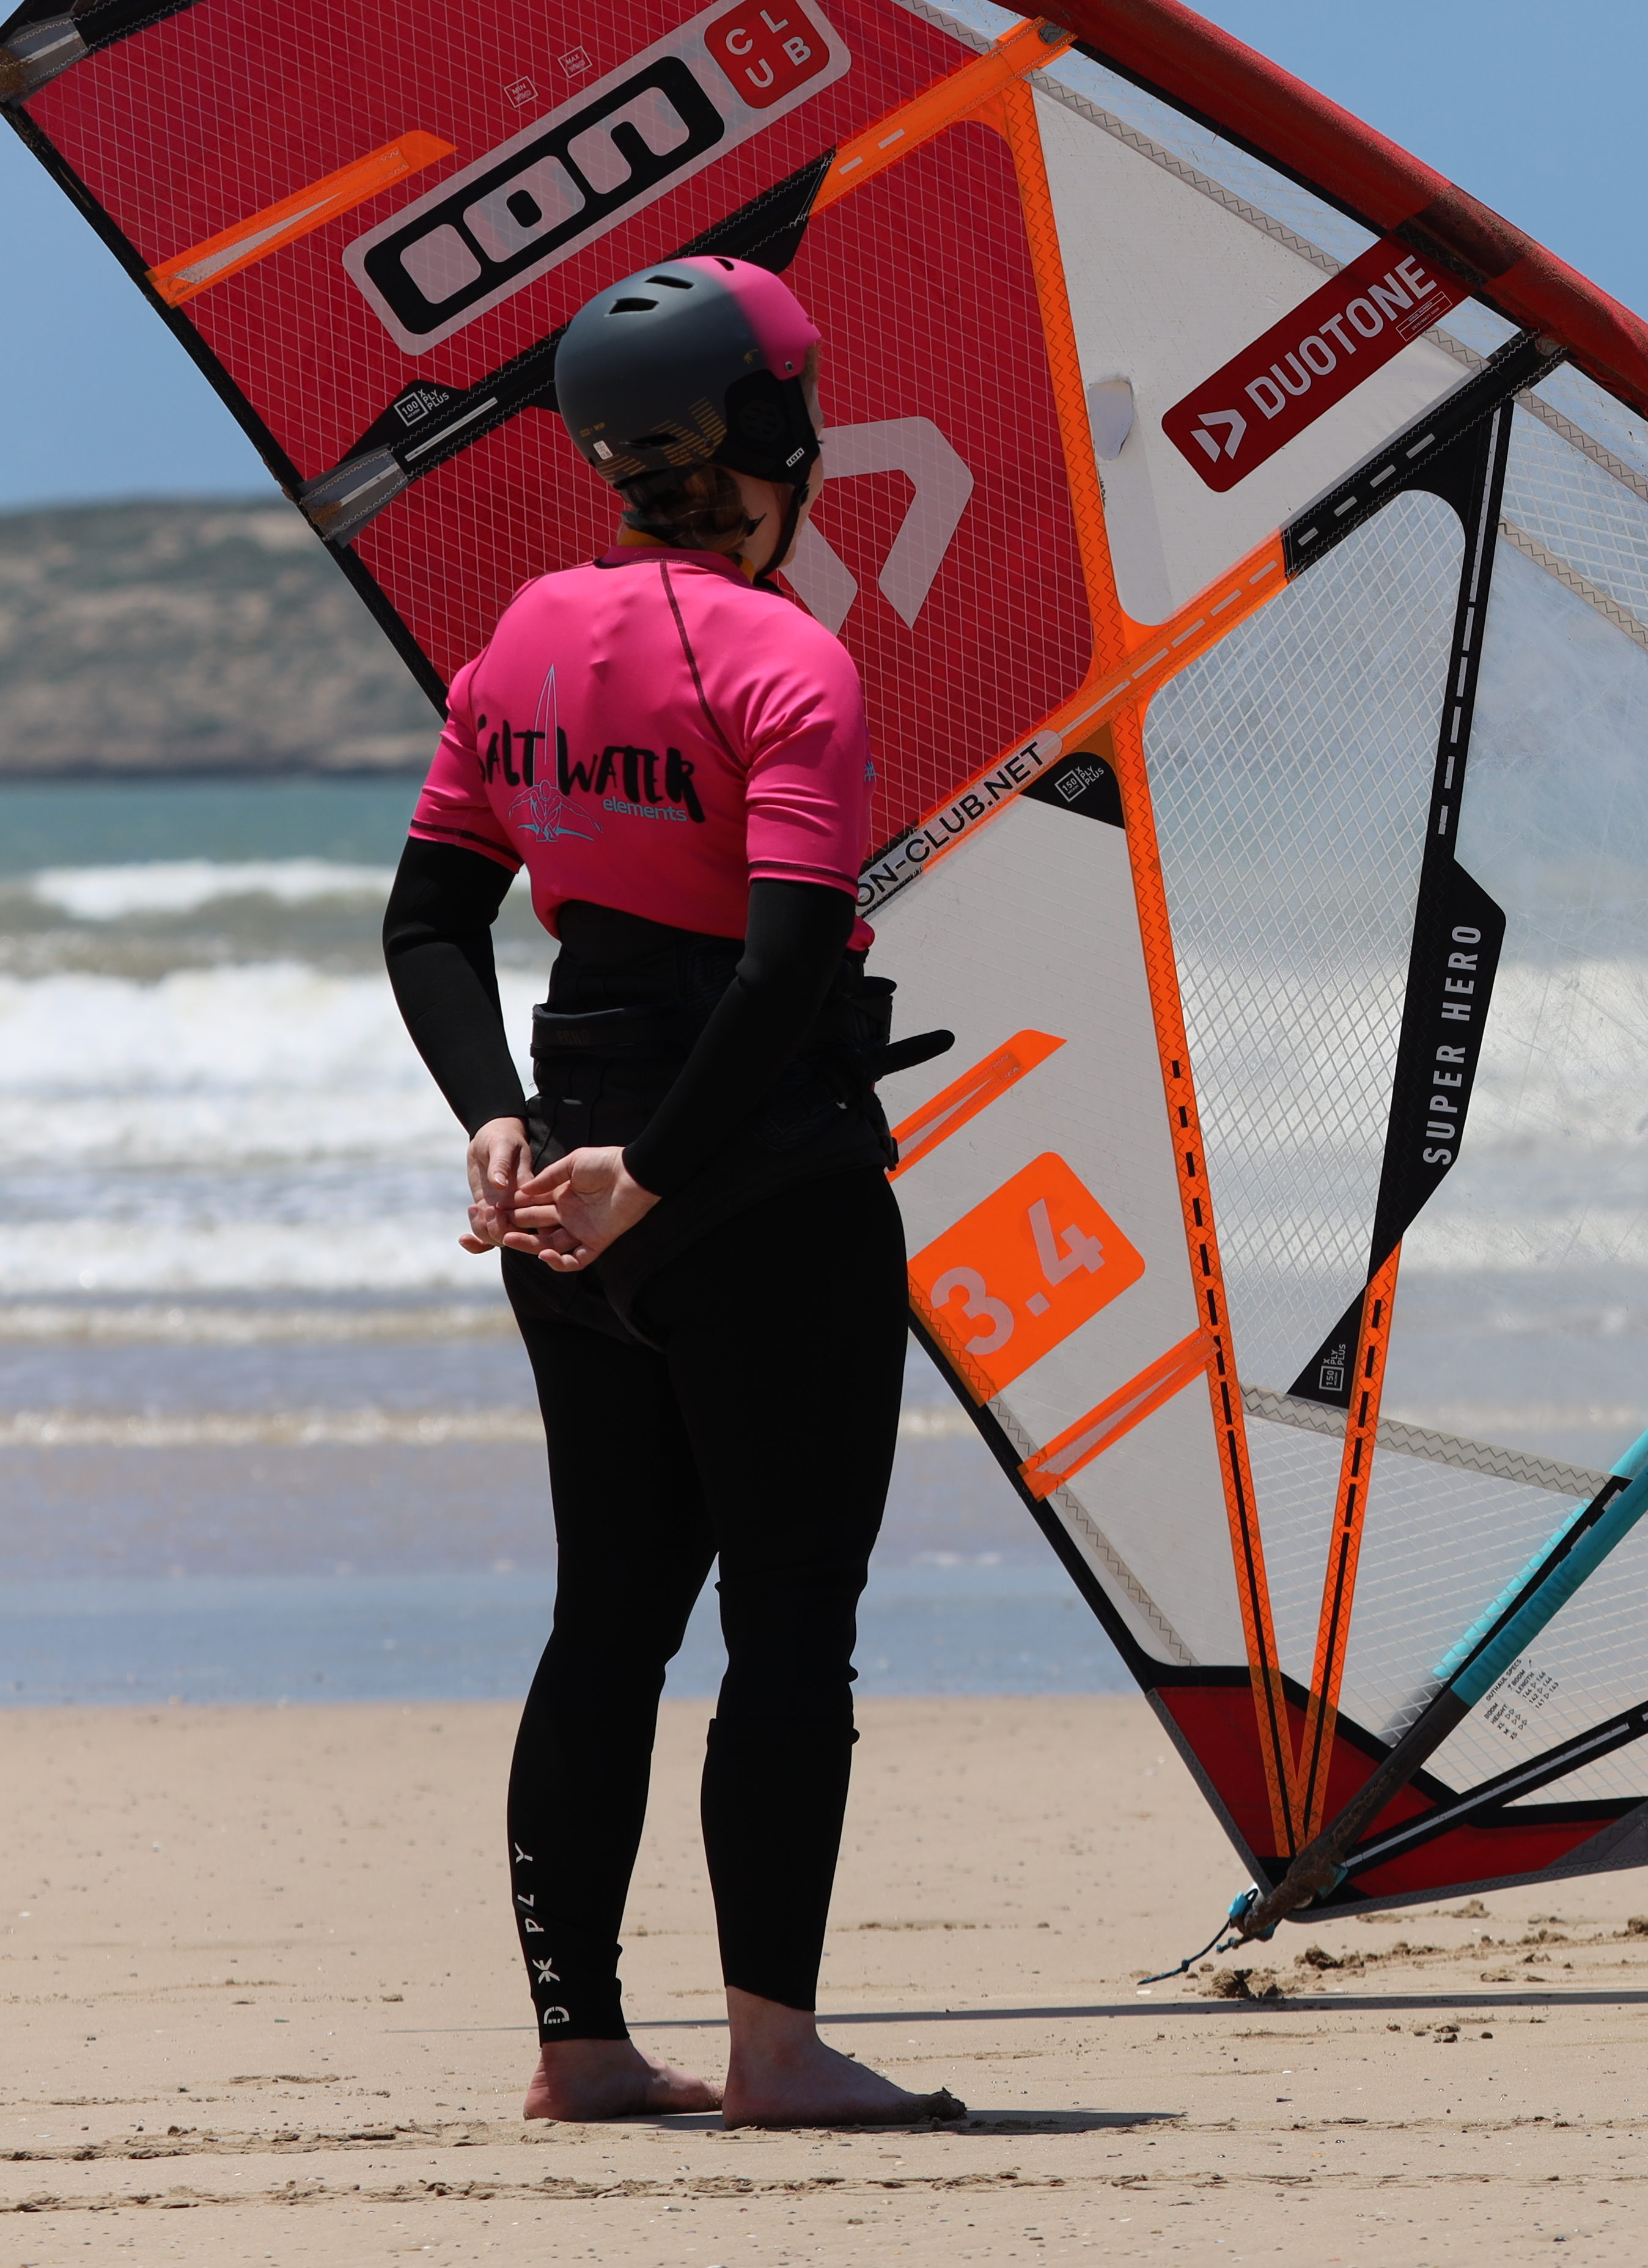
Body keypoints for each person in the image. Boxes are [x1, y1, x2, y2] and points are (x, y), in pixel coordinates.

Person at [379, 255, 955, 2126]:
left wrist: (503, 1123)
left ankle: (581, 2045)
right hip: (753, 1173)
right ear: (781, 435)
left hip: (561, 1170)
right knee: (791, 1609)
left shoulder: (519, 638)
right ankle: (777, 2049)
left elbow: (431, 918)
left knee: (608, 1613)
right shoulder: (791, 658)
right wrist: (671, 1172)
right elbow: (788, 963)